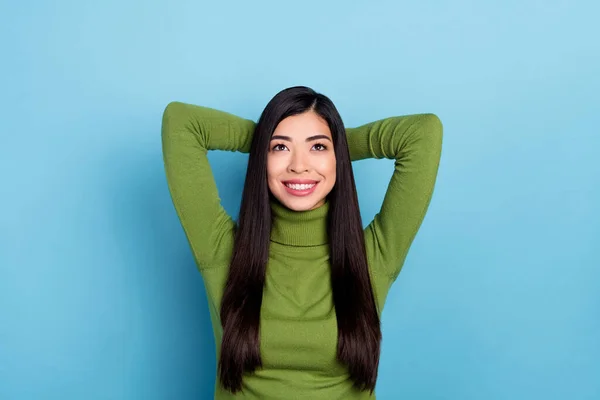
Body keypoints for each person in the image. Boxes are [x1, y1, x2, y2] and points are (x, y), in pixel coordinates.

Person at [161, 86, 443, 399]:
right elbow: (181, 122)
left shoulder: (373, 256)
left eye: (318, 148)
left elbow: (422, 133)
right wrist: (268, 137)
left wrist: (335, 142)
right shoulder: (221, 249)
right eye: (280, 148)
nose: (299, 165)